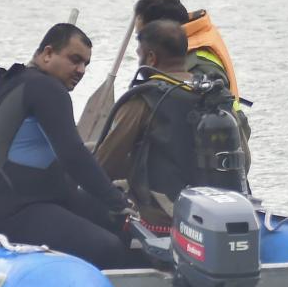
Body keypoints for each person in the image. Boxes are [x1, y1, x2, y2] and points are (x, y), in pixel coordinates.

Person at [0, 23, 137, 270]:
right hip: (13, 213)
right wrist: (118, 201)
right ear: (48, 53)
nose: (81, 70)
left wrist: (113, 205)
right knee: (109, 247)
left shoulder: (13, 80)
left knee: (116, 221)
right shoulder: (48, 89)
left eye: (86, 64)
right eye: (75, 60)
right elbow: (73, 155)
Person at [95, 20, 248, 229]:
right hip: (221, 212)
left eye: (140, 54)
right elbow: (245, 160)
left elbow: (105, 164)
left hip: (165, 216)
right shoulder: (216, 95)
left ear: (151, 57)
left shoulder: (144, 99)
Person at [135, 0, 252, 168]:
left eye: (141, 39)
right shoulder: (180, 36)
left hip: (212, 164)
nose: (137, 49)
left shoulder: (199, 67)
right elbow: (170, 9)